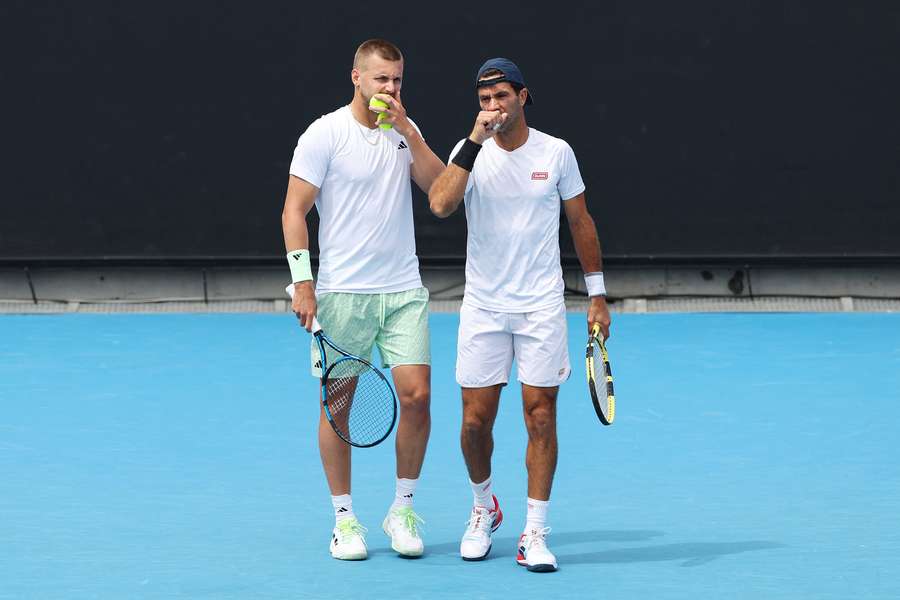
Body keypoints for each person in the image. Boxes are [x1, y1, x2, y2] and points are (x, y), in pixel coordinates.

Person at [428, 58, 612, 572]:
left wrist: (597, 295)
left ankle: (534, 531)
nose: (493, 108)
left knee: (541, 416)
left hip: (541, 307)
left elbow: (581, 221)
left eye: (501, 97)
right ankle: (484, 507)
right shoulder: (469, 152)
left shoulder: (556, 153)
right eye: (484, 100)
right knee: (473, 424)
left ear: (523, 97)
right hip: (483, 307)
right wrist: (473, 141)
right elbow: (441, 205)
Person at [281, 39, 444, 561]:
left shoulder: (404, 132)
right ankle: (344, 519)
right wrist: (303, 281)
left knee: (417, 397)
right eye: (381, 79)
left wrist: (410, 133)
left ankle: (402, 508)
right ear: (356, 77)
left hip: (402, 290)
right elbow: (293, 211)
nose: (390, 89)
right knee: (338, 409)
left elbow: (440, 191)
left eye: (397, 80)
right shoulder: (323, 134)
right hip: (342, 293)